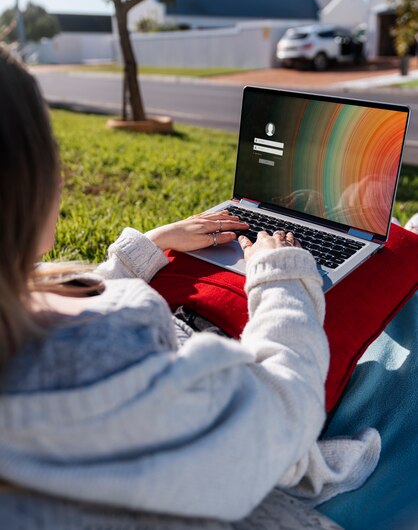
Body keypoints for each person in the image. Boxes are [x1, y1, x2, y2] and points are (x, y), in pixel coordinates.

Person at [0, 44, 379, 526]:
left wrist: (147, 247)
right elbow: (279, 419)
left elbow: (35, 298)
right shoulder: (101, 370)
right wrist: (282, 276)